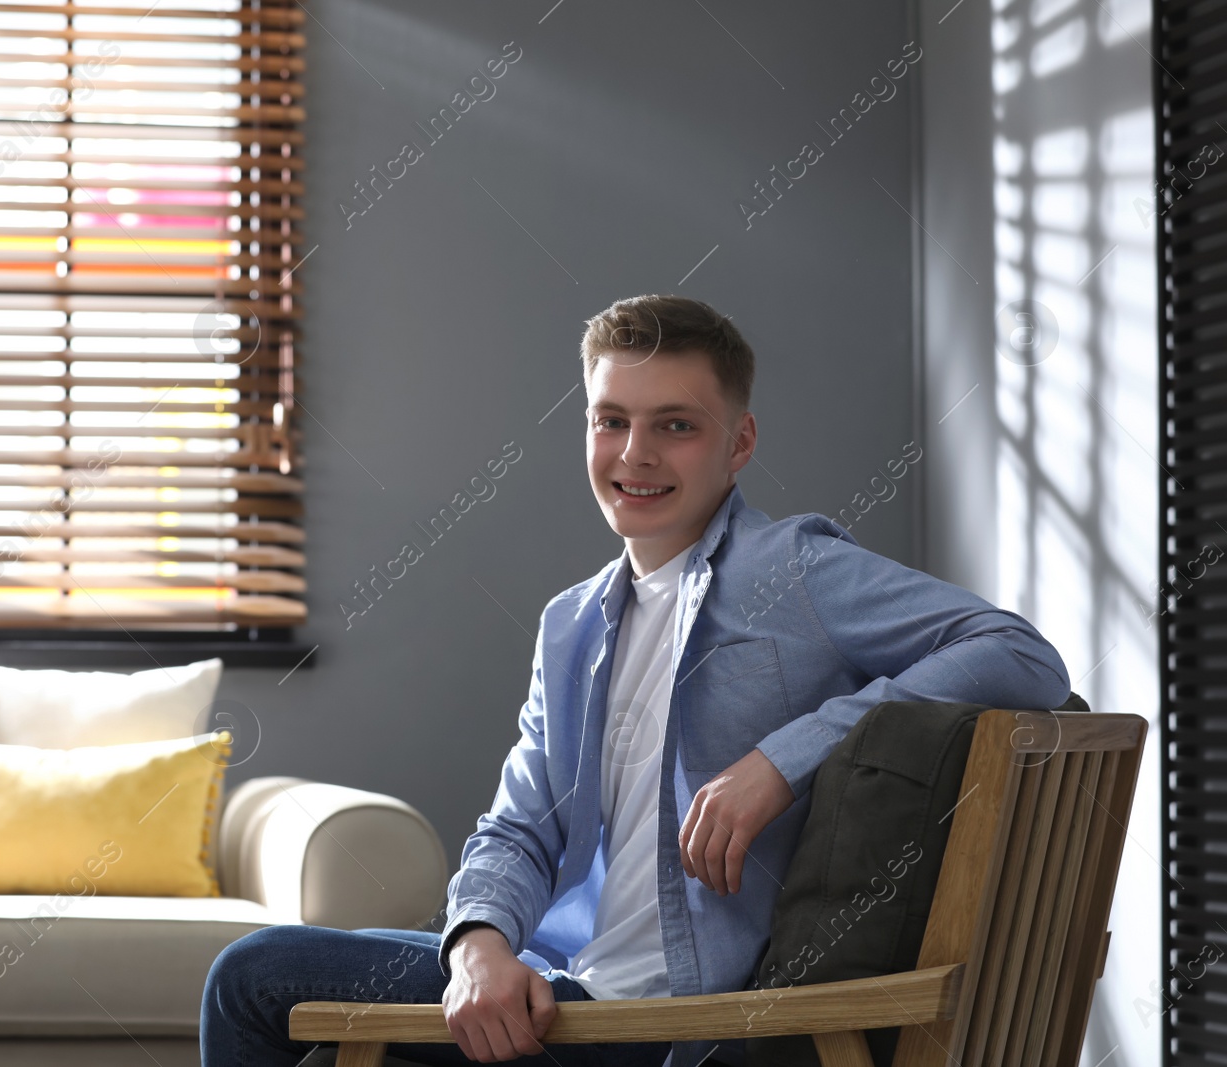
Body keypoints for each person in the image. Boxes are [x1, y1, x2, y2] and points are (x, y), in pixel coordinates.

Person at [199, 294, 1071, 1067]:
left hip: (665, 1023)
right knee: (295, 995)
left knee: (253, 976)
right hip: (561, 992)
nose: (635, 453)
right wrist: (476, 943)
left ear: (740, 442)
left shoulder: (794, 568)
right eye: (610, 420)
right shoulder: (571, 623)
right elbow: (519, 827)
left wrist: (781, 759)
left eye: (676, 424)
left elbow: (1020, 652)